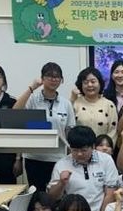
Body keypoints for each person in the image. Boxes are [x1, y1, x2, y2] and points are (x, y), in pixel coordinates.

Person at [13, 62, 76, 191]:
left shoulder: (66, 104)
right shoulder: (32, 99)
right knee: (37, 194)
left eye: (57, 77)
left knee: (56, 193)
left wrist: (72, 158)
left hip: (58, 157)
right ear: (42, 79)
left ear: (62, 80)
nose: (53, 79)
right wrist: (31, 88)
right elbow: (15, 112)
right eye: (49, 76)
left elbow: (69, 132)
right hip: (34, 157)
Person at [48, 126, 119, 211]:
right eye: (75, 150)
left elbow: (110, 194)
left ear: (93, 146)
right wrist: (61, 183)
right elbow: (52, 198)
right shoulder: (62, 164)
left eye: (84, 150)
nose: (79, 154)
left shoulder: (106, 160)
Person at [71, 67, 118, 141]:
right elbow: (70, 128)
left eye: (93, 82)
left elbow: (113, 131)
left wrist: (103, 146)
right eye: (85, 82)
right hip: (80, 147)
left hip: (103, 147)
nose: (89, 85)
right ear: (81, 85)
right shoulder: (75, 104)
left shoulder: (109, 105)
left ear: (100, 83)